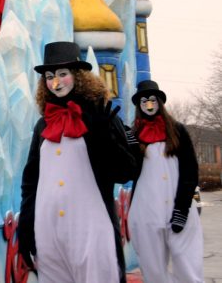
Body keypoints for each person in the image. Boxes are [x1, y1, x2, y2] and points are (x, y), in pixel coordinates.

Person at [17, 41, 136, 283]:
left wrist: (104, 135)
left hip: (91, 231)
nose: (56, 83)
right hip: (48, 234)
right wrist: (26, 228)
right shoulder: (43, 125)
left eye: (62, 74)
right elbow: (31, 182)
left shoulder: (100, 116)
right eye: (50, 77)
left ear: (78, 76)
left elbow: (125, 170)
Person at [128, 80, 203, 282]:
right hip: (146, 211)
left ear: (160, 102)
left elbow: (190, 170)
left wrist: (182, 208)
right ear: (139, 105)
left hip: (178, 209)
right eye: (144, 101)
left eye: (153, 100)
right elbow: (128, 172)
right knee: (153, 271)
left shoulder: (177, 131)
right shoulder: (135, 135)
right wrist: (129, 148)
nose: (149, 105)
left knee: (188, 265)